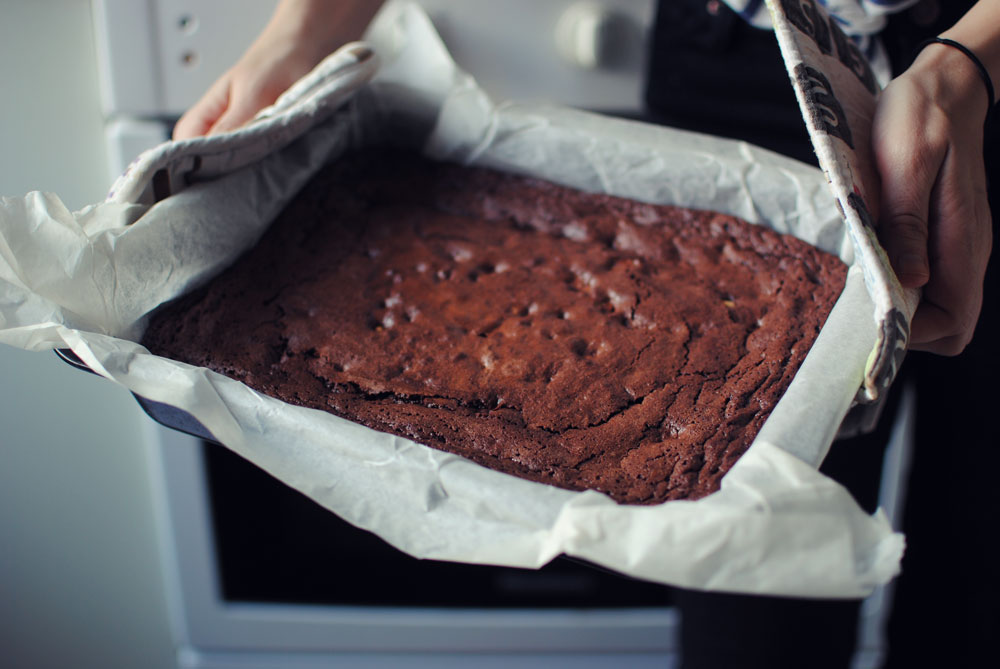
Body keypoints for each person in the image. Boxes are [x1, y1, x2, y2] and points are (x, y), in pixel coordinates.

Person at [175, 1, 999, 666]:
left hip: (987, 79)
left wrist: (971, 64)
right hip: (745, 59)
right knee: (752, 621)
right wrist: (304, 31)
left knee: (978, 586)